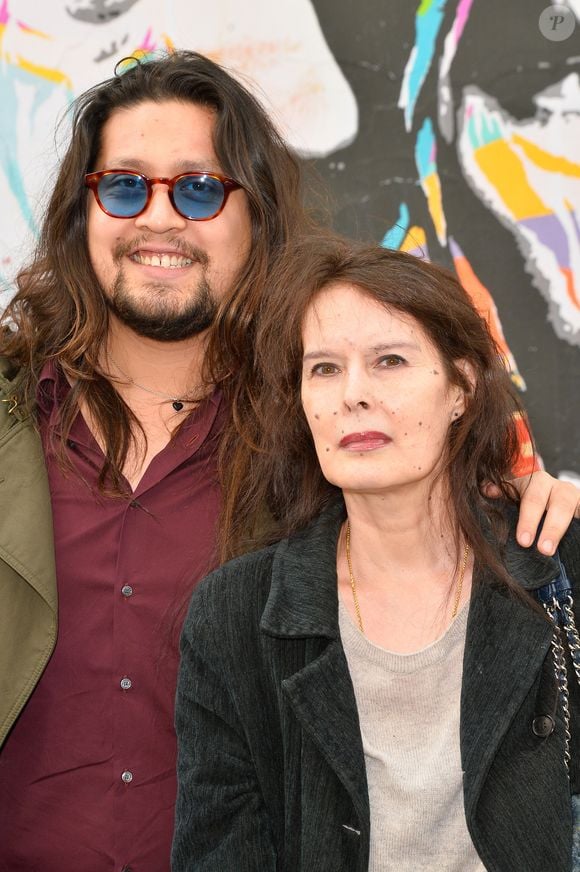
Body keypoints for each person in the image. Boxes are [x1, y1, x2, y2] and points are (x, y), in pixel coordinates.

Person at [0, 51, 577, 871]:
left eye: (199, 189)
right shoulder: (9, 420)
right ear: (81, 214)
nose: (158, 219)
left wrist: (522, 497)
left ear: (257, 215)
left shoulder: (320, 438)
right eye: (125, 186)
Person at [172, 236, 580, 872]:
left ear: (461, 388)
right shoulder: (234, 616)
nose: (352, 395)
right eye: (324, 369)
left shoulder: (558, 562)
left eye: (389, 361)